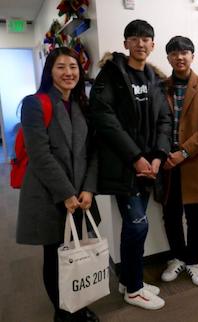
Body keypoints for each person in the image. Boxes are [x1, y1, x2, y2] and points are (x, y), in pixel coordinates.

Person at [89, 20, 171, 310]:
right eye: (134, 38)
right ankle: (134, 290)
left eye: (146, 38)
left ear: (152, 44)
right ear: (125, 43)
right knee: (137, 226)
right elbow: (104, 118)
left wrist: (159, 155)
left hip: (150, 167)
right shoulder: (110, 75)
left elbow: (164, 119)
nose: (140, 43)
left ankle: (128, 279)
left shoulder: (154, 77)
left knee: (135, 226)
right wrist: (136, 156)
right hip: (124, 166)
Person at [16, 47, 100, 322]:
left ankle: (79, 303)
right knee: (56, 256)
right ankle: (63, 312)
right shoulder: (35, 103)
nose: (68, 73)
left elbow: (92, 152)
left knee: (78, 253)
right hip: (49, 193)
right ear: (49, 71)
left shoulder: (82, 104)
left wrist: (88, 188)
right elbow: (39, 154)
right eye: (61, 67)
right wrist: (66, 193)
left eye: (73, 67)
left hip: (81, 194)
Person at [159, 36, 198, 286]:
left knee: (195, 215)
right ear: (168, 58)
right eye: (174, 53)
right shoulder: (161, 87)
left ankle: (194, 260)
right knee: (170, 214)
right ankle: (177, 257)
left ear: (192, 56)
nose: (180, 57)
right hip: (166, 163)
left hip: (193, 160)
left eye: (185, 52)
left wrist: (183, 152)